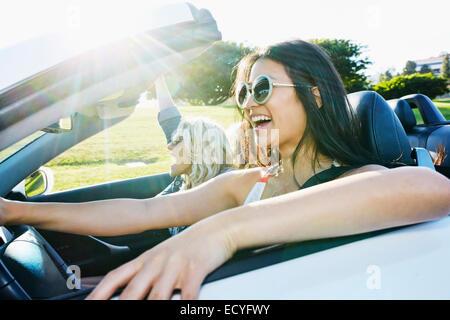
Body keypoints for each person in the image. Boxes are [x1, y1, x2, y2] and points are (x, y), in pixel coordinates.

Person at [1, 40, 449, 300]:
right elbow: (138, 214)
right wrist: (18, 214)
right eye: (243, 95)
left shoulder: (357, 179)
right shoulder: (247, 185)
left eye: (262, 88)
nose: (250, 104)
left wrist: (223, 231)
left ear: (315, 95)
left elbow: (429, 187)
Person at [153, 76, 235, 235]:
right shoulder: (185, 180)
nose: (169, 146)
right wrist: (158, 78)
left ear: (199, 150)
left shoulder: (223, 193)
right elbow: (169, 118)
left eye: (177, 141)